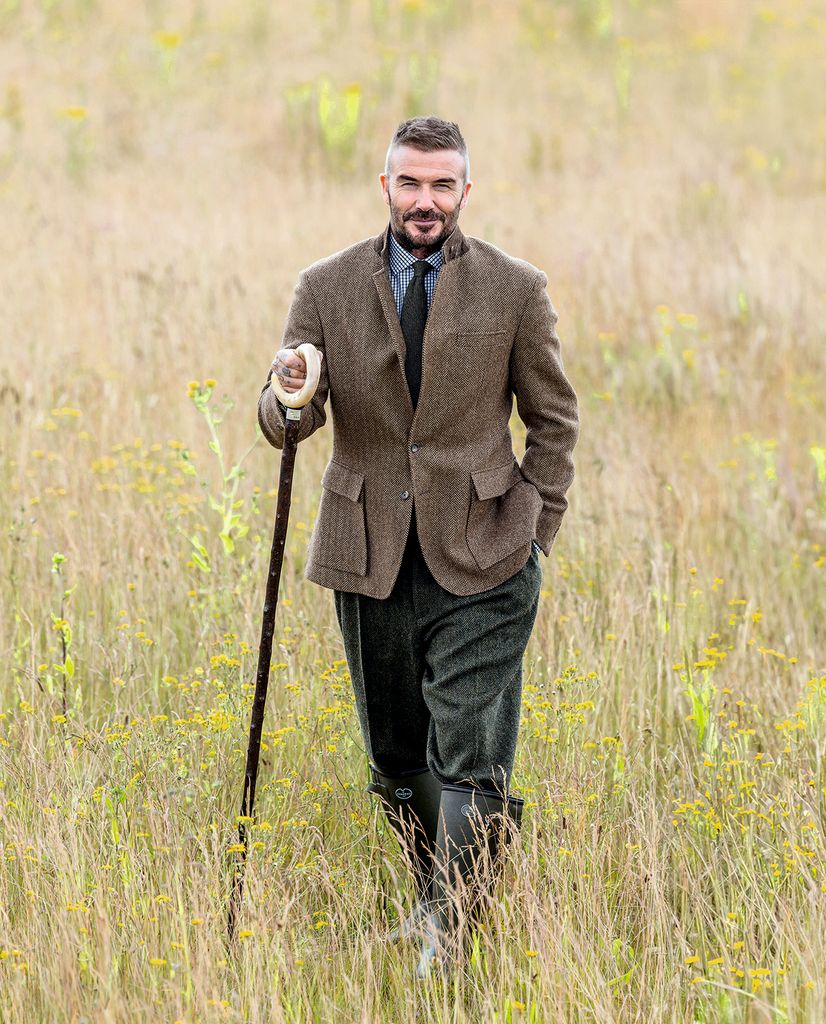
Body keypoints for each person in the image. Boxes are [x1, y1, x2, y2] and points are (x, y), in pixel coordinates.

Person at [257, 115, 579, 975]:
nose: (425, 200)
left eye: (442, 184)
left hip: (487, 554)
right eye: (410, 183)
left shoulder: (516, 289)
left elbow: (554, 419)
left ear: (466, 189)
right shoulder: (325, 286)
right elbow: (286, 419)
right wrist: (287, 393)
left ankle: (448, 932)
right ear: (386, 186)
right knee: (397, 757)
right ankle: (434, 903)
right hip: (367, 553)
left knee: (470, 750)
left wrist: (535, 529)